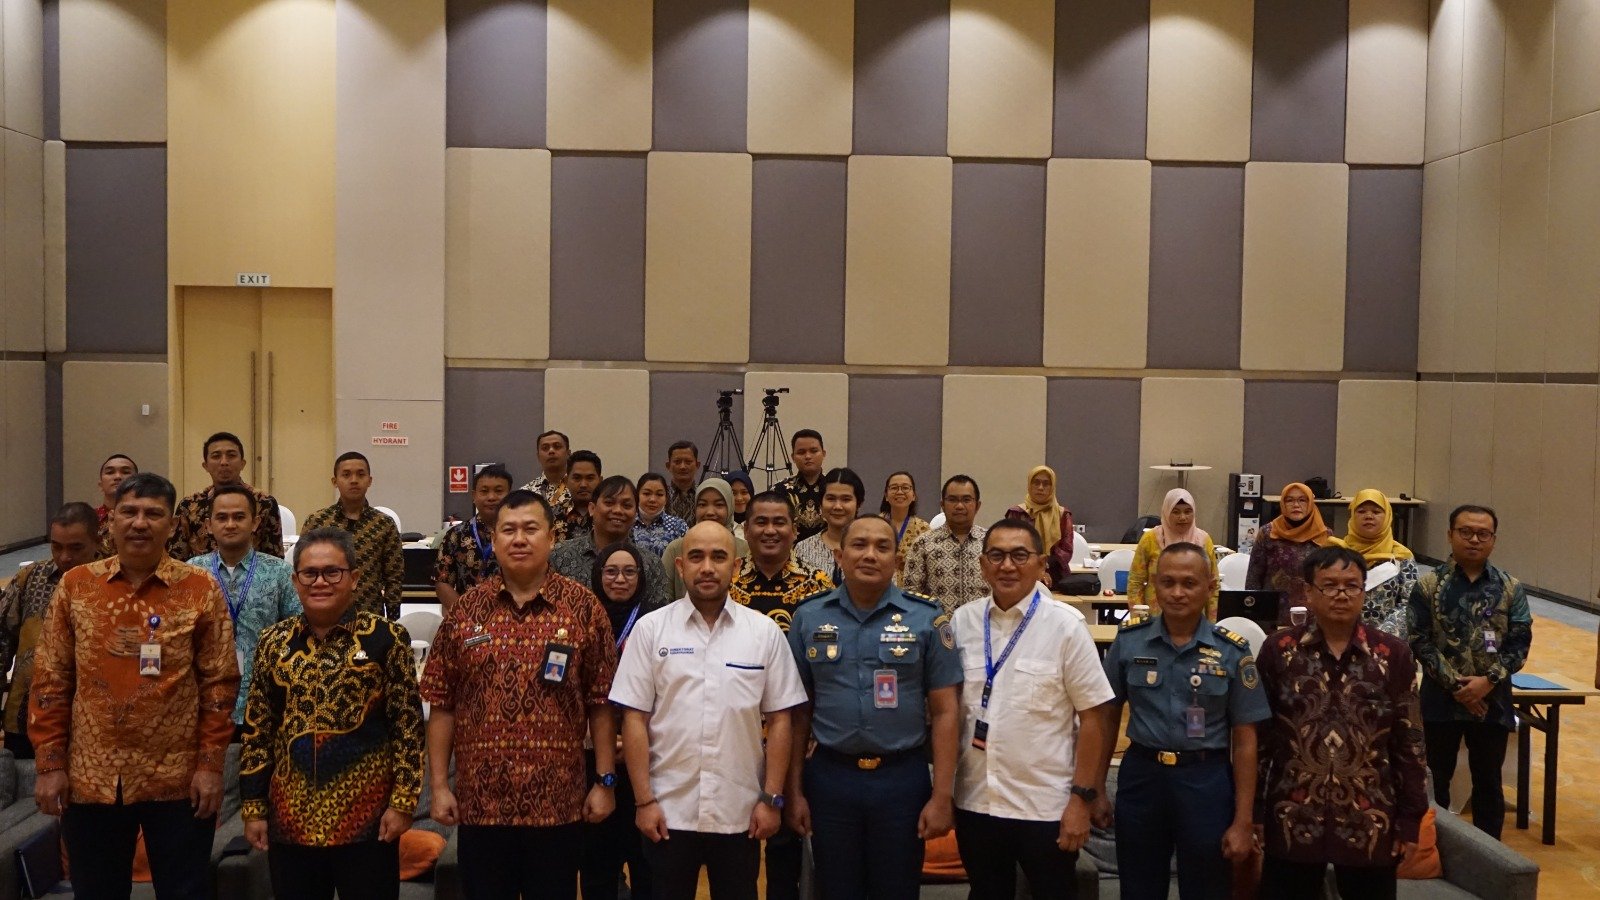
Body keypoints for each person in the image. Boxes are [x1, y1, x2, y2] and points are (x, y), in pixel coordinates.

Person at [31, 472, 240, 899]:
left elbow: (220, 684)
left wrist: (210, 765)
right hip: (91, 777)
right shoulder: (76, 587)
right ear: (110, 521)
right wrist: (50, 765)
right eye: (129, 511)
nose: (139, 523)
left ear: (174, 525)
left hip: (178, 778)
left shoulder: (200, 589)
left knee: (186, 891)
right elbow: (51, 678)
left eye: (153, 514)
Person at [421, 490, 619, 900]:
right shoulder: (466, 611)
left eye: (531, 529)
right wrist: (439, 785)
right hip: (481, 804)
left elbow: (601, 703)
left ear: (551, 538)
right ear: (494, 541)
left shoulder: (583, 609)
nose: (519, 539)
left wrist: (605, 781)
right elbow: (442, 705)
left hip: (559, 803)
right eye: (508, 530)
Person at [611, 522, 809, 900]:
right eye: (697, 557)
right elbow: (633, 718)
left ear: (735, 568)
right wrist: (643, 801)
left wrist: (771, 800)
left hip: (740, 812)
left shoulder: (764, 632)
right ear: (681, 567)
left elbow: (781, 719)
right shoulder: (651, 630)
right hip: (667, 812)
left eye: (719, 557)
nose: (707, 567)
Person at [239, 527, 425, 900]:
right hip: (291, 821)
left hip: (368, 821)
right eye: (310, 573)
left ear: (354, 578)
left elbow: (407, 726)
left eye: (332, 572)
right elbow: (258, 729)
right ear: (295, 580)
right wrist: (254, 807)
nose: (320, 581)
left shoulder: (386, 638)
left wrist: (403, 802)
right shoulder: (273, 643)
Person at [786, 515, 962, 900]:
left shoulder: (928, 618)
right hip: (832, 778)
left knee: (897, 889)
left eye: (882, 547)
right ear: (839, 554)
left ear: (897, 558)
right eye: (859, 545)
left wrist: (942, 795)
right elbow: (798, 711)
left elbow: (948, 711)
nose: (870, 555)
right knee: (835, 888)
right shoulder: (809, 617)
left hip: (901, 779)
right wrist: (794, 789)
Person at [1094, 542, 1269, 900]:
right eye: (1168, 582)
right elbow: (1105, 720)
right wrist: (1095, 788)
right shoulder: (1129, 643)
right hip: (1143, 777)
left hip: (1206, 780)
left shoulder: (1232, 651)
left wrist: (1243, 819)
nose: (1177, 592)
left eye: (1189, 583)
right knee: (1139, 886)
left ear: (1208, 586)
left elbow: (1247, 738)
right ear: (1154, 585)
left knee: (1207, 887)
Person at [952, 519, 1115, 900]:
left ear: (1041, 564)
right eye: (997, 555)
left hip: (1045, 806)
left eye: (1020, 555)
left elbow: (1096, 717)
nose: (1007, 565)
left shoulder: (1066, 626)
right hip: (977, 800)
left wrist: (1081, 800)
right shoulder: (963, 621)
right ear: (982, 564)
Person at [1256, 545, 1427, 899]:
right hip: (1292, 814)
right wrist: (1252, 811)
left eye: (1352, 586)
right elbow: (1259, 741)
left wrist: (1411, 820)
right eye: (1329, 585)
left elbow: (1410, 743)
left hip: (1369, 816)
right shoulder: (1278, 651)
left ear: (1364, 591)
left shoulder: (1393, 655)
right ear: (1308, 592)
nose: (1341, 595)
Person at [727, 490, 832, 900]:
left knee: (791, 851)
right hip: (739, 740)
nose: (770, 530)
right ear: (746, 530)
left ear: (794, 529)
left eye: (779, 522)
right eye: (760, 522)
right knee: (737, 852)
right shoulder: (727, 588)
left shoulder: (819, 588)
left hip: (799, 742)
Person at [1408, 504, 1532, 840]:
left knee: (1489, 784)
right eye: (1465, 532)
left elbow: (1519, 644)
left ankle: (1489, 858)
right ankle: (1437, 853)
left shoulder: (1510, 588)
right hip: (1439, 704)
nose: (1474, 539)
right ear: (1450, 535)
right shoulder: (1428, 586)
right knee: (1436, 782)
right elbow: (1419, 640)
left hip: (1492, 704)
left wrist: (1486, 683)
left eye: (1483, 533)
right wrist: (1458, 687)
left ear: (1493, 539)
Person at [187, 484, 302, 726]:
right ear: (209, 525)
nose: (230, 524)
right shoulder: (192, 572)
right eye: (222, 517)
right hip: (204, 701)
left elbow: (297, 633)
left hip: (265, 701)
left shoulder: (279, 573)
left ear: (255, 522)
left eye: (239, 517)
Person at [582, 542, 657, 900]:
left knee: (646, 862)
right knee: (597, 863)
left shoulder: (656, 623)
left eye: (630, 572)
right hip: (589, 756)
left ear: (641, 578)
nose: (620, 579)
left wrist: (634, 737)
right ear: (597, 575)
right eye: (611, 571)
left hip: (644, 757)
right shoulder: (580, 619)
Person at [0, 503, 101, 759]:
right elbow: (2, 639)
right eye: (57, 546)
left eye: (76, 548)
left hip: (93, 719)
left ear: (96, 541)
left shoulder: (114, 580)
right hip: (25, 715)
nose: (65, 556)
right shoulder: (30, 577)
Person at [301, 451, 406, 619]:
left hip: (369, 613)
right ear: (335, 482)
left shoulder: (384, 524)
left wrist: (393, 620)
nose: (354, 480)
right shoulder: (317, 522)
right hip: (323, 613)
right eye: (346, 475)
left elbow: (394, 577)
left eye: (361, 474)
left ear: (369, 481)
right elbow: (304, 570)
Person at [550, 475, 671, 608]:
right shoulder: (560, 555)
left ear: (635, 512)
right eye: (609, 503)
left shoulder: (650, 564)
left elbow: (660, 619)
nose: (618, 510)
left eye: (626, 505)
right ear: (592, 509)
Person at [169, 431, 286, 559]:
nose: (224, 462)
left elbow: (274, 558)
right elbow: (176, 559)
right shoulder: (189, 505)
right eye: (216, 456)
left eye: (231, 455)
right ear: (205, 465)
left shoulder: (264, 502)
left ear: (242, 463)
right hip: (200, 575)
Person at [1245, 482, 1337, 623]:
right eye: (1290, 500)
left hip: (1314, 614)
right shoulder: (1268, 533)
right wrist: (1252, 614)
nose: (1296, 505)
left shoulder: (1325, 535)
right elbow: (1253, 577)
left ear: (1311, 503)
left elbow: (1331, 579)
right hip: (1273, 613)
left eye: (1302, 500)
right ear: (1282, 503)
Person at [1126, 489, 1220, 618]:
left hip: (1195, 618)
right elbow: (1135, 582)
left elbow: (1213, 585)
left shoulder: (1204, 541)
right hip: (1155, 618)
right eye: (1175, 512)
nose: (1182, 517)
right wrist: (1139, 621)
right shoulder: (1150, 539)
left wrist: (1211, 624)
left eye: (1188, 511)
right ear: (1166, 512)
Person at [902, 475, 989, 614]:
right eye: (952, 499)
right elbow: (910, 594)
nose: (959, 506)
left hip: (983, 630)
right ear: (942, 505)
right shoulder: (923, 543)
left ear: (977, 505)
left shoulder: (990, 543)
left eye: (966, 500)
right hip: (937, 631)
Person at [1339, 489, 1419, 639]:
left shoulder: (1402, 557)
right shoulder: (1336, 553)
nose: (1369, 516)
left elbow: (1410, 603)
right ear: (1352, 516)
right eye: (1361, 511)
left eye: (1376, 512)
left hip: (1388, 641)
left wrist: (1381, 636)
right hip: (1341, 637)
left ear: (1388, 516)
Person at [433, 464, 513, 611]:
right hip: (466, 619)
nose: (491, 497)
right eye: (484, 491)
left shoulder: (521, 534)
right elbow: (442, 581)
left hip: (514, 619)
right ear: (474, 496)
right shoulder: (456, 535)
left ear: (510, 495)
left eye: (499, 491)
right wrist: (465, 616)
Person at [661, 478, 751, 600]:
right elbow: (662, 599)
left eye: (719, 505)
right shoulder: (676, 549)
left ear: (730, 507)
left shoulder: (745, 549)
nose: (709, 512)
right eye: (702, 504)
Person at [792, 468, 865, 583]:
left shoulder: (871, 548)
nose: (837, 506)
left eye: (846, 499)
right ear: (820, 503)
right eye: (831, 499)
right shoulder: (803, 549)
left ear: (859, 504)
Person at [1008, 466, 1074, 589]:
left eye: (1046, 484)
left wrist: (1044, 567)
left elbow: (1066, 550)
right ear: (1029, 485)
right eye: (1036, 482)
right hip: (1021, 573)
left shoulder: (1063, 514)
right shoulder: (1017, 513)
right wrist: (1035, 569)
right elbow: (1010, 546)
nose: (1040, 488)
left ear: (1052, 487)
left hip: (1055, 575)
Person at [878, 471, 929, 584]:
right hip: (878, 588)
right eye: (894, 488)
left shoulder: (924, 529)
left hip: (911, 592)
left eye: (905, 488)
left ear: (914, 495)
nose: (900, 492)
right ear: (886, 495)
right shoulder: (874, 524)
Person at [779, 430, 828, 540]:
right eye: (801, 452)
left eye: (814, 451)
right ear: (793, 457)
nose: (808, 456)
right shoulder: (779, 490)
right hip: (790, 554)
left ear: (823, 453)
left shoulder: (834, 487)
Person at [552, 450, 603, 543]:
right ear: (566, 481)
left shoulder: (608, 514)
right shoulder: (551, 515)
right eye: (577, 478)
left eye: (590, 478)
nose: (583, 484)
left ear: (600, 481)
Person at [633, 472, 689, 556]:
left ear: (666, 498)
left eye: (659, 494)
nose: (652, 499)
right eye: (646, 493)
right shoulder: (627, 524)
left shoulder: (678, 526)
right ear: (637, 496)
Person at [95, 453, 138, 555]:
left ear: (138, 482)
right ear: (101, 485)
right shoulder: (88, 519)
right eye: (110, 472)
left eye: (125, 472)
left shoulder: (144, 518)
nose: (118, 476)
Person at [521, 429, 572, 501]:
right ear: (538, 456)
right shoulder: (526, 493)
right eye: (545, 448)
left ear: (568, 453)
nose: (551, 451)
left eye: (557, 446)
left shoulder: (580, 487)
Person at [663, 441, 701, 523]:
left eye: (688, 462)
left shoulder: (703, 494)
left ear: (697, 465)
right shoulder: (661, 495)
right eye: (677, 462)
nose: (682, 467)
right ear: (668, 466)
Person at [727, 469, 755, 541]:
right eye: (733, 493)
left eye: (744, 492)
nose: (739, 498)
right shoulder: (718, 528)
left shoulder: (759, 526)